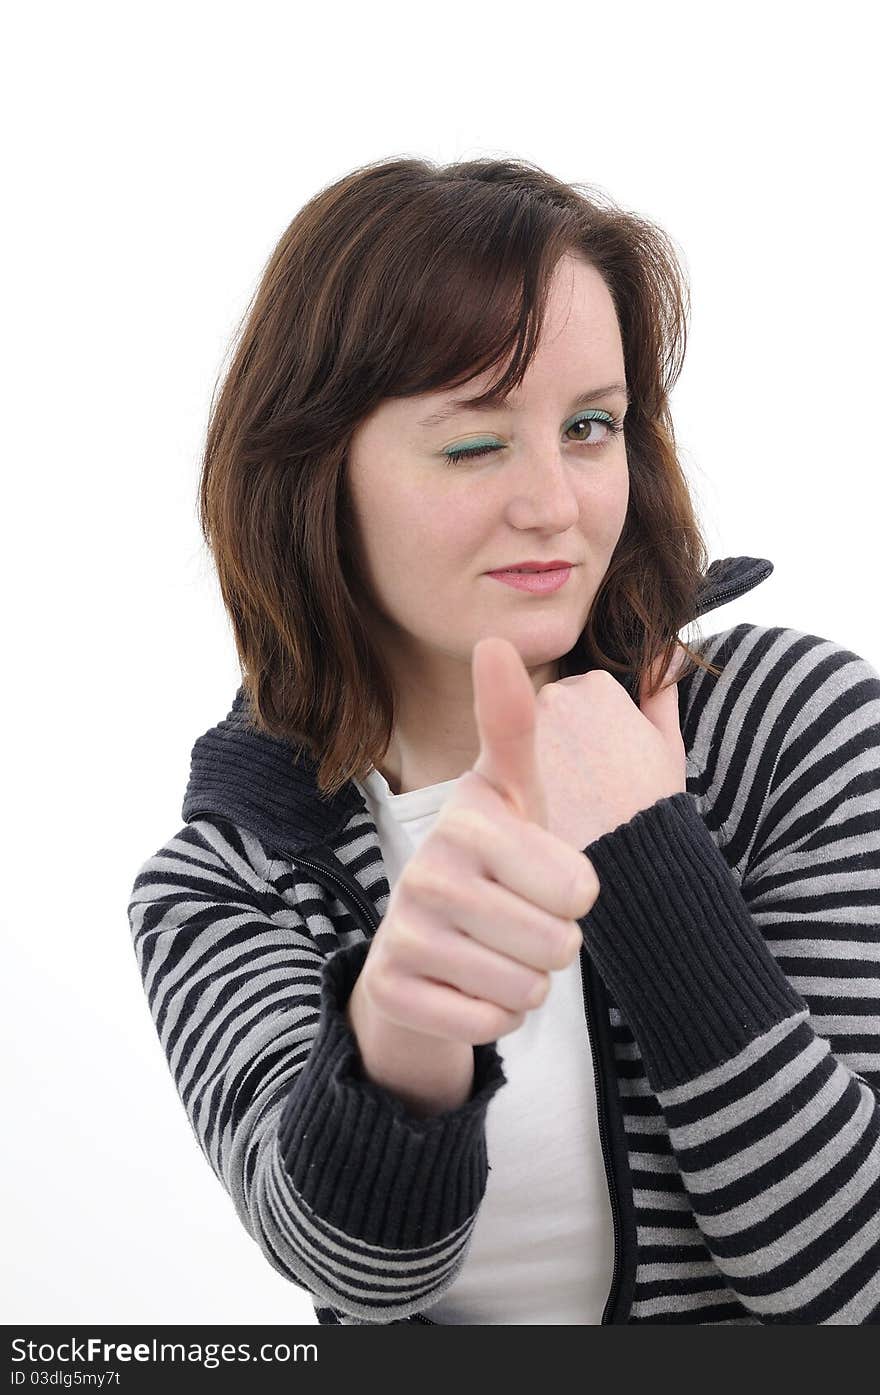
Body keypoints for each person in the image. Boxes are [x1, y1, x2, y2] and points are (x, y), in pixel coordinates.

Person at [127, 155, 880, 1325]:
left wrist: (647, 849)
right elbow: (356, 1278)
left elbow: (846, 1286)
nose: (557, 503)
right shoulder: (228, 883)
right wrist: (402, 1038)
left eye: (591, 426)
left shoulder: (792, 727)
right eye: (476, 443)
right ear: (312, 481)